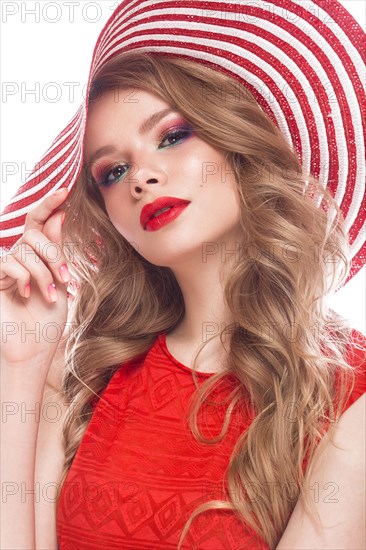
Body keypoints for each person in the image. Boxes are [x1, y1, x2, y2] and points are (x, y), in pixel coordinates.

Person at [1, 1, 365, 549]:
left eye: (171, 136)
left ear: (239, 143)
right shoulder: (85, 382)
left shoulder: (350, 394)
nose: (141, 178)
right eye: (112, 171)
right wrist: (20, 363)